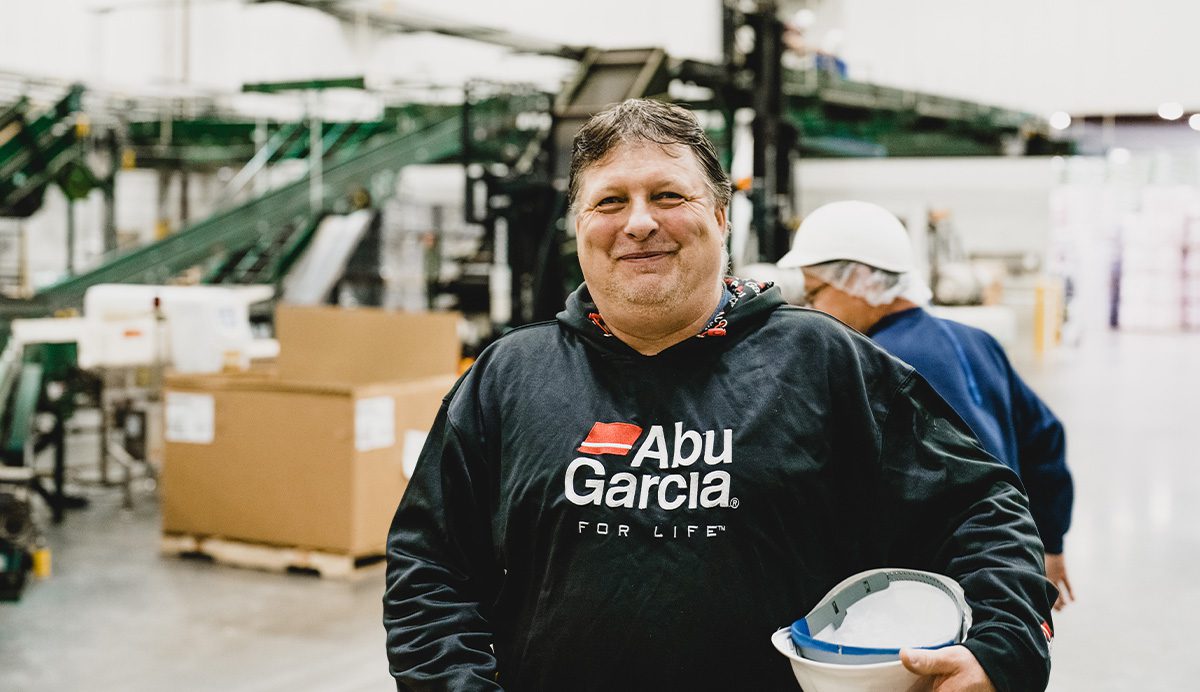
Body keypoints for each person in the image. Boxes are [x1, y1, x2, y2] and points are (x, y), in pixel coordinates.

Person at [383, 99, 1056, 692]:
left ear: (721, 215)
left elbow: (982, 508)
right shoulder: (509, 377)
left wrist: (999, 651)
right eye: (610, 201)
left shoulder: (822, 362)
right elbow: (428, 565)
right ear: (578, 226)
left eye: (668, 196)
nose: (638, 222)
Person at [776, 200, 1076, 611]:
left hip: (930, 592)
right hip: (1002, 571)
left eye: (814, 293)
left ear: (860, 281)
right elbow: (1045, 437)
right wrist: (1049, 546)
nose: (809, 309)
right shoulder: (975, 340)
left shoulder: (873, 362)